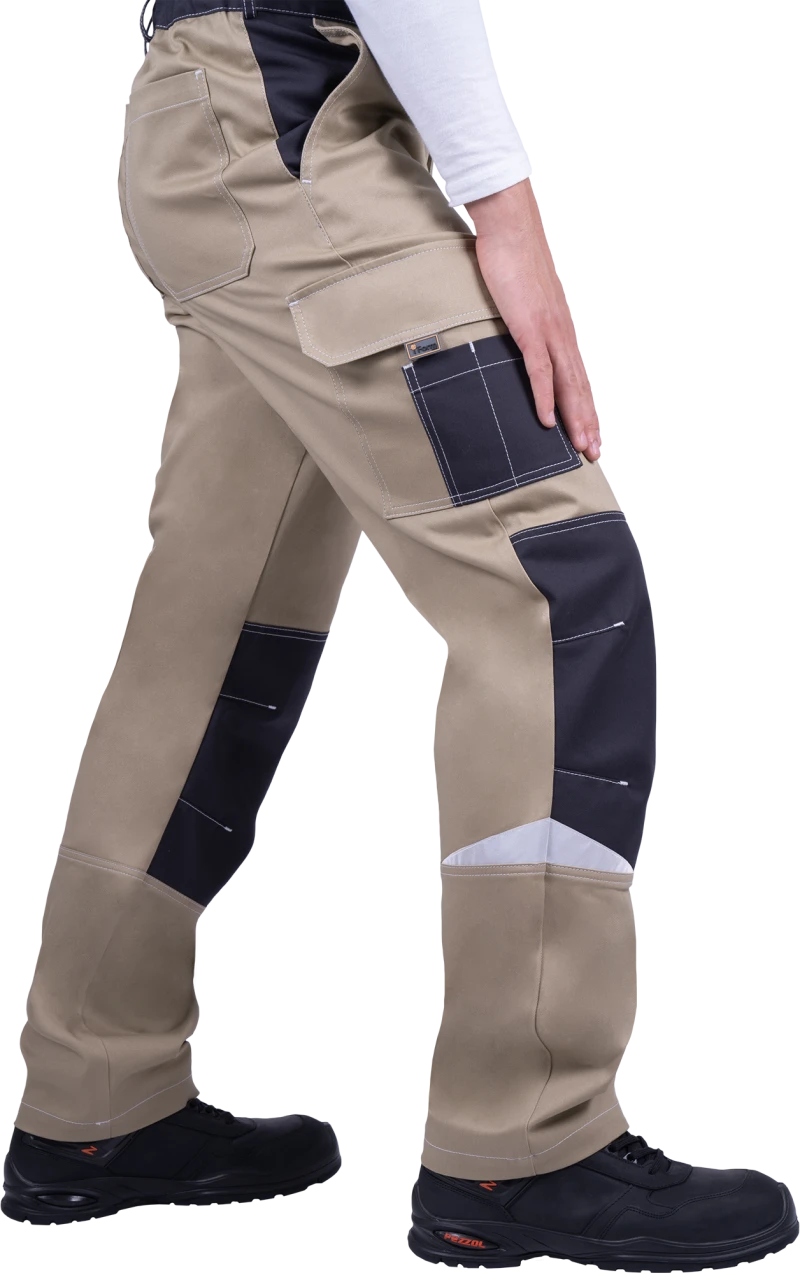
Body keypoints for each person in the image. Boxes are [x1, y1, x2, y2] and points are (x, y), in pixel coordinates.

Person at [2, 0, 796, 1258]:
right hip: (289, 119)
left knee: (217, 631)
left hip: (236, 118)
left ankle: (95, 1093)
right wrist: (505, 215)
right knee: (555, 584)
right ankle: (523, 1141)